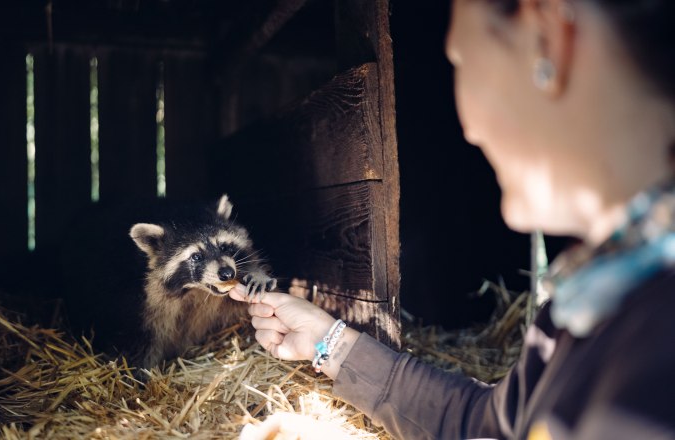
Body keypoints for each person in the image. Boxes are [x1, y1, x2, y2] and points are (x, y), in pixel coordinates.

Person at [229, 0, 675, 438]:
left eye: (463, 62)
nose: (469, 128)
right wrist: (331, 343)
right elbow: (487, 424)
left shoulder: (655, 345)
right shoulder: (598, 297)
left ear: (548, 39)